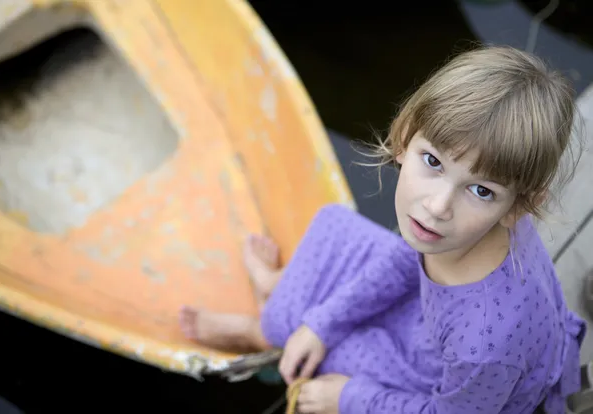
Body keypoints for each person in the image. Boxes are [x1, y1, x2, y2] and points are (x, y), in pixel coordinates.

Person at [178, 45, 586, 413]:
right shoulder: (465, 226)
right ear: (407, 137)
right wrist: (324, 322)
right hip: (438, 317)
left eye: (480, 190)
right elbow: (405, 256)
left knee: (301, 326)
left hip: (447, 376)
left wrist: (349, 397)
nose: (437, 206)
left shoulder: (484, 346)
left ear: (520, 206)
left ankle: (261, 328)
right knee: (334, 230)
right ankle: (279, 289)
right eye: (433, 162)